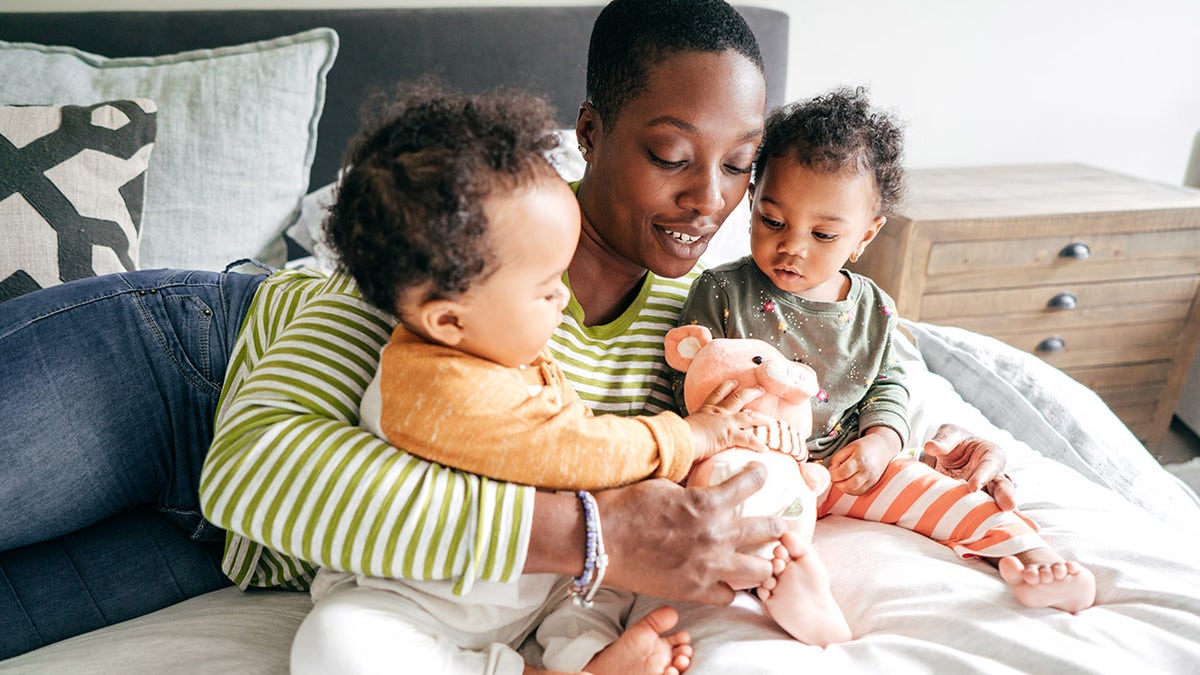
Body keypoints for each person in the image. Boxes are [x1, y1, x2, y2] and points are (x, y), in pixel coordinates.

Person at [0, 0, 1014, 660]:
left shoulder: (704, 320)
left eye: (740, 163)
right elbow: (256, 467)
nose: (708, 199)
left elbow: (802, 405)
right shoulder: (469, 224)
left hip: (231, 553)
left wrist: (921, 448)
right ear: (588, 133)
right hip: (175, 369)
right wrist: (595, 541)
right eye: (670, 153)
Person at [293, 81, 778, 674]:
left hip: (537, 581)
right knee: (336, 642)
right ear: (449, 319)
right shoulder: (436, 385)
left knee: (621, 572)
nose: (562, 295)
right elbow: (574, 449)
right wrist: (689, 436)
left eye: (739, 165)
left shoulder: (516, 351)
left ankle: (588, 652)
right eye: (546, 287)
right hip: (426, 600)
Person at [674, 87, 1097, 644]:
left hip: (849, 467)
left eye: (823, 235)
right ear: (753, 201)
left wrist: (879, 443)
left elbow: (890, 384)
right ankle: (792, 584)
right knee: (728, 512)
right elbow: (691, 380)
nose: (792, 247)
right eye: (772, 221)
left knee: (943, 492)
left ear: (865, 235)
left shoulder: (873, 308)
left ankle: (1026, 552)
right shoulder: (722, 290)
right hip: (763, 464)